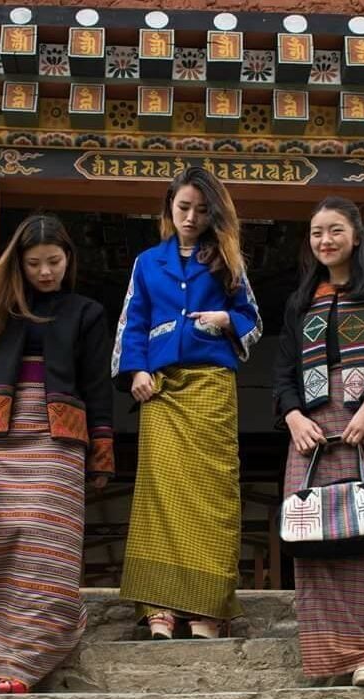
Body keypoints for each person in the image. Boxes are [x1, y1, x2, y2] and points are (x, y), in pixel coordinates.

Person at [0, 214, 114, 693]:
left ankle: (30, 654)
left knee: (47, 542)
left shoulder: (86, 313)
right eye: (35, 263)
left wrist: (101, 451)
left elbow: (97, 387)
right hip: (1, 435)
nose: (46, 272)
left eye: (54, 262)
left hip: (59, 441)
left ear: (69, 260)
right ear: (18, 264)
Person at [112, 166, 262, 640]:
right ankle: (159, 608)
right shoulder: (146, 263)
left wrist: (225, 318)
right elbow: (131, 324)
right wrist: (136, 370)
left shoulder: (228, 261)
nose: (191, 217)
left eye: (201, 209)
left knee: (213, 494)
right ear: (168, 207)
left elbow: (253, 321)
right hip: (160, 390)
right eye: (183, 207)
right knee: (160, 495)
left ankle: (208, 610)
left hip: (212, 386)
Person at [273, 196, 364, 687]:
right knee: (313, 534)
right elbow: (284, 368)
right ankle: (327, 654)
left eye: (334, 231)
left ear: (355, 235)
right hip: (309, 429)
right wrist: (292, 416)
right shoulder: (300, 300)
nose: (325, 241)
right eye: (316, 233)